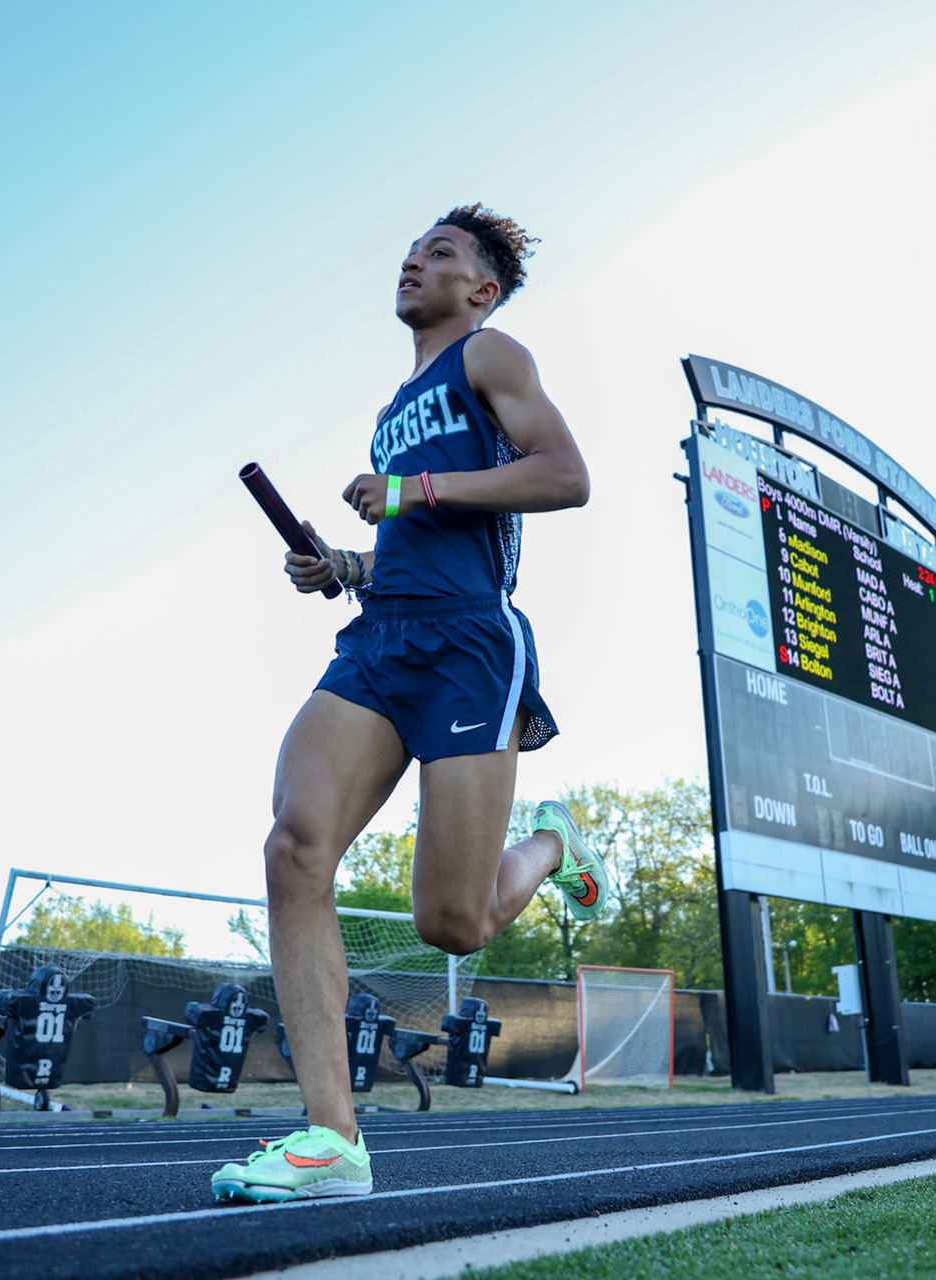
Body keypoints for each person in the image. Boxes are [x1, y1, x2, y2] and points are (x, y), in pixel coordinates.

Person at [212, 206, 605, 1204]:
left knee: (454, 924)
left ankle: (551, 843)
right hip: (382, 639)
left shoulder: (491, 355)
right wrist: (343, 564)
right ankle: (331, 1139)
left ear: (480, 289)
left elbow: (566, 477)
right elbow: (408, 544)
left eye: (441, 253)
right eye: (412, 249)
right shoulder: (394, 408)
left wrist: (414, 488)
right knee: (294, 847)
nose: (414, 260)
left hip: (470, 644)